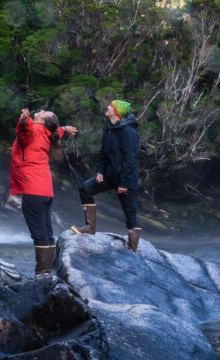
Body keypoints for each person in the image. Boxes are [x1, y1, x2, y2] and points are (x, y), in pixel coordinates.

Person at [10, 107, 77, 275]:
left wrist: (24, 120)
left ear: (41, 121)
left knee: (39, 233)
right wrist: (65, 129)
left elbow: (25, 128)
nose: (41, 110)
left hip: (33, 189)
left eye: (44, 112)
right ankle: (47, 272)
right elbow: (57, 131)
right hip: (45, 191)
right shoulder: (49, 133)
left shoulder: (33, 129)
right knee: (47, 232)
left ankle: (42, 273)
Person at [71, 99, 142, 251]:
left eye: (110, 106)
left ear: (117, 111)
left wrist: (124, 183)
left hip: (126, 179)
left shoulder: (129, 132)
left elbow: (131, 159)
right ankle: (90, 228)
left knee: (130, 212)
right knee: (85, 189)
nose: (107, 107)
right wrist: (99, 172)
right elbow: (103, 153)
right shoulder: (109, 129)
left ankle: (133, 247)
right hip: (109, 176)